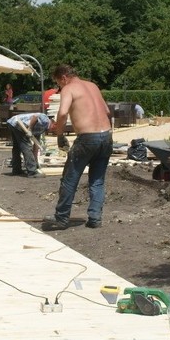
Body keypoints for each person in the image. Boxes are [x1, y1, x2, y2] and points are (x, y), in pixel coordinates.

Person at [43, 64, 112, 231]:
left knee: (69, 179)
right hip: (106, 136)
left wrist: (59, 135)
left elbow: (62, 113)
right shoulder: (93, 86)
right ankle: (95, 218)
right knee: (97, 180)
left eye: (58, 83)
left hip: (87, 138)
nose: (59, 87)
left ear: (63, 78)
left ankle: (61, 218)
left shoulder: (69, 89)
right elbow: (107, 111)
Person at [6, 112, 53, 177]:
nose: (53, 131)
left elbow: (36, 144)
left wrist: (36, 162)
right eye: (54, 129)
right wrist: (30, 129)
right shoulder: (46, 120)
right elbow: (35, 117)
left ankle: (16, 169)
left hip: (12, 123)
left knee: (17, 148)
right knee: (27, 147)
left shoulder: (41, 129)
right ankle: (32, 172)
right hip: (18, 124)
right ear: (54, 124)